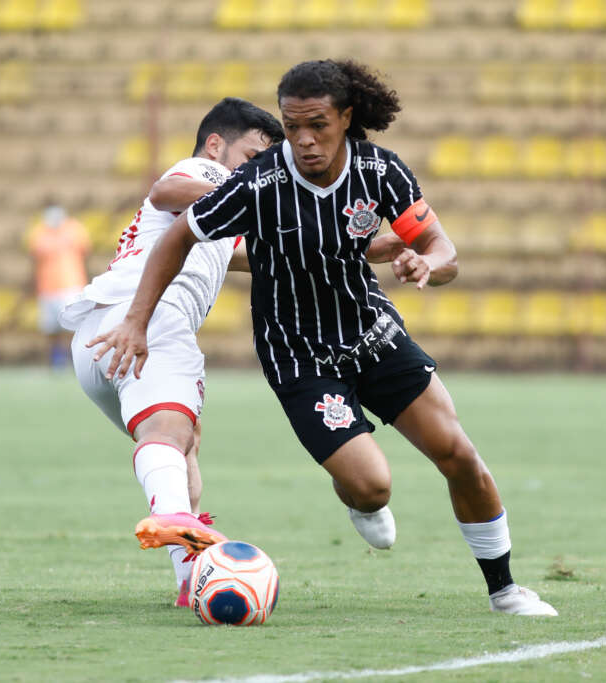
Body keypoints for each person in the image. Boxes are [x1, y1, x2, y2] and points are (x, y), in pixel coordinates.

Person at [88, 60, 558, 616]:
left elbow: (442, 248)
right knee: (373, 487)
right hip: (300, 357)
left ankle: (505, 590)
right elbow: (179, 238)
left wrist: (426, 263)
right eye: (292, 127)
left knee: (457, 452)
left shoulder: (379, 172)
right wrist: (138, 320)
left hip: (372, 333)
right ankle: (357, 498)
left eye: (318, 125)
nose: (305, 140)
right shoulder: (258, 183)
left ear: (346, 118)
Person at [60, 98, 285, 607]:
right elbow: (167, 190)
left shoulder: (216, 219)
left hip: (98, 336)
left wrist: (361, 250)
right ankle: (176, 520)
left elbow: (255, 254)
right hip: (147, 319)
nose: (255, 172)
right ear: (215, 144)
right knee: (170, 433)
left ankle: (190, 577)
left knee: (182, 444)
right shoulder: (205, 171)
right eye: (251, 157)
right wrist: (245, 191)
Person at [27, 206, 90, 368]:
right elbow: (34, 259)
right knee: (51, 328)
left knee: (73, 325)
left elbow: (85, 254)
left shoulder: (74, 230)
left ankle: (75, 358)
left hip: (71, 284)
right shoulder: (40, 232)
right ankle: (56, 359)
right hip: (47, 287)